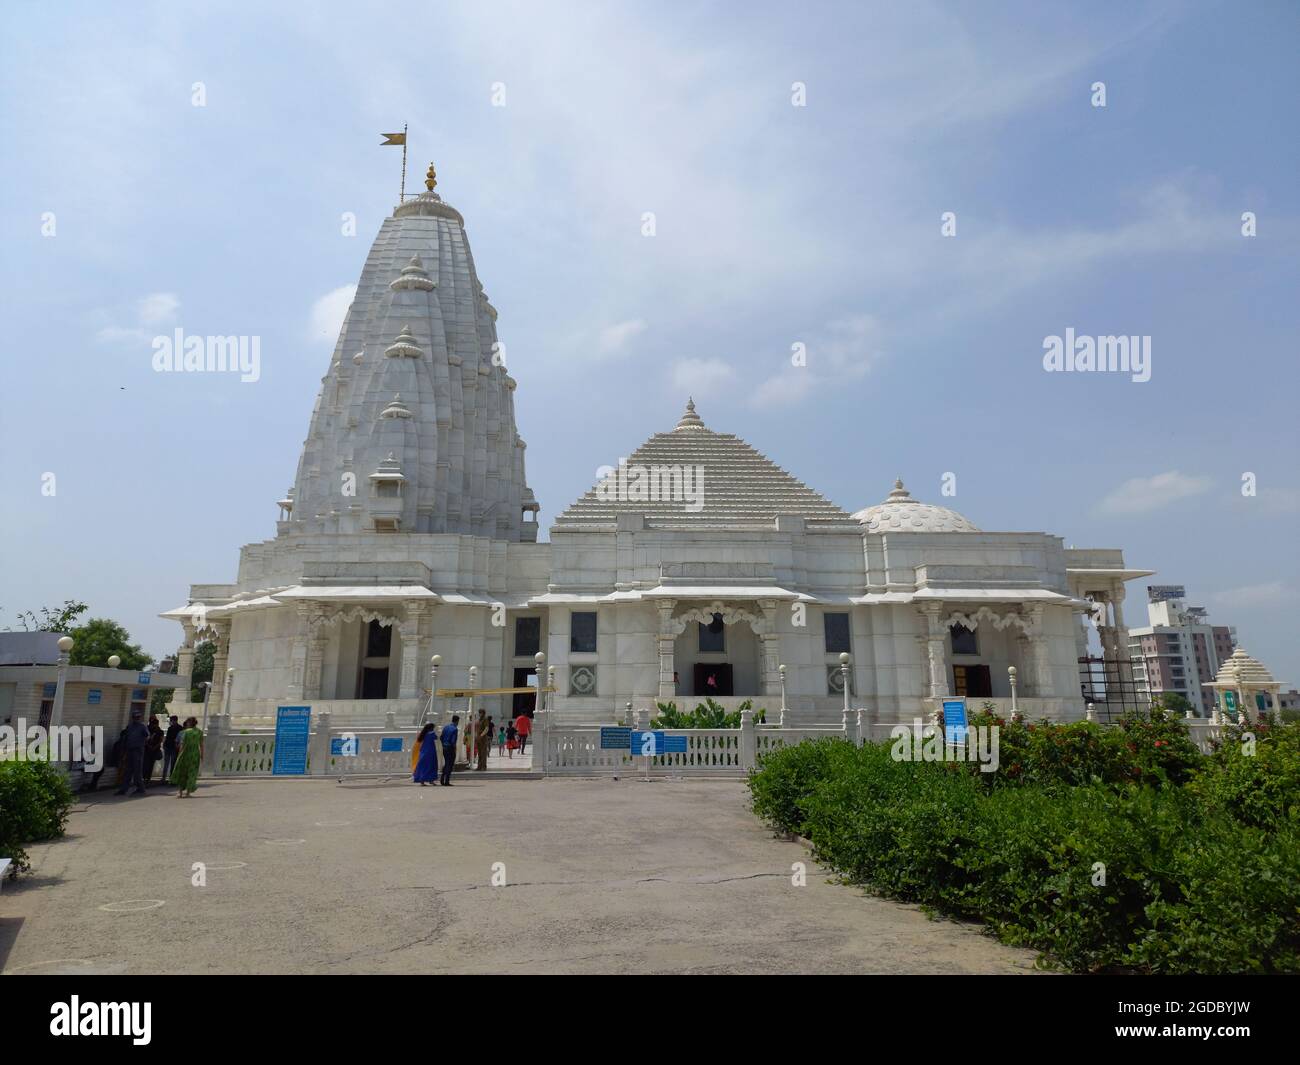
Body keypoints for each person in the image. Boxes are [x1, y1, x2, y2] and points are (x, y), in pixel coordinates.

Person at [115, 709, 149, 796]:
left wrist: (142, 742)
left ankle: (140, 788)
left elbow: (147, 736)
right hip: (129, 750)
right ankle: (123, 789)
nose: (136, 719)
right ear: (132, 718)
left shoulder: (142, 727)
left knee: (137, 770)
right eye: (135, 717)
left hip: (138, 750)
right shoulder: (129, 726)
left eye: (138, 717)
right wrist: (124, 750)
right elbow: (126, 738)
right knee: (128, 770)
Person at [170, 716, 204, 797]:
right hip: (195, 754)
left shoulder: (186, 732)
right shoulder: (199, 732)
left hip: (185, 754)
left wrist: (179, 755)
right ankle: (188, 793)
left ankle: (180, 792)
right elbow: (201, 745)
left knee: (182, 773)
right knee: (192, 773)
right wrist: (202, 755)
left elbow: (182, 744)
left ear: (189, 723)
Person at [142, 715, 165, 786]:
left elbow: (160, 740)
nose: (154, 726)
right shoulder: (148, 729)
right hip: (147, 749)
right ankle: (144, 777)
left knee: (151, 764)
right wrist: (149, 746)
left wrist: (154, 747)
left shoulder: (160, 731)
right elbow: (145, 739)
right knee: (146, 764)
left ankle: (147, 779)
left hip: (154, 750)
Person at [439, 715, 460, 786]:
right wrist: (454, 748)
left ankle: (442, 778)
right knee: (450, 764)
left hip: (445, 747)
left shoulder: (446, 727)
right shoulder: (455, 729)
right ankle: (446, 781)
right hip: (450, 748)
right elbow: (453, 741)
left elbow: (441, 737)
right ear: (457, 721)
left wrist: (443, 744)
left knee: (447, 763)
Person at [162, 715, 181, 781]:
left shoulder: (180, 728)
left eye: (171, 720)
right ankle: (164, 777)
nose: (170, 722)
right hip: (168, 747)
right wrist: (164, 744)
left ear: (174, 720)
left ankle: (171, 777)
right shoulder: (170, 728)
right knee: (167, 763)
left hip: (174, 748)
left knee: (173, 763)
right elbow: (167, 738)